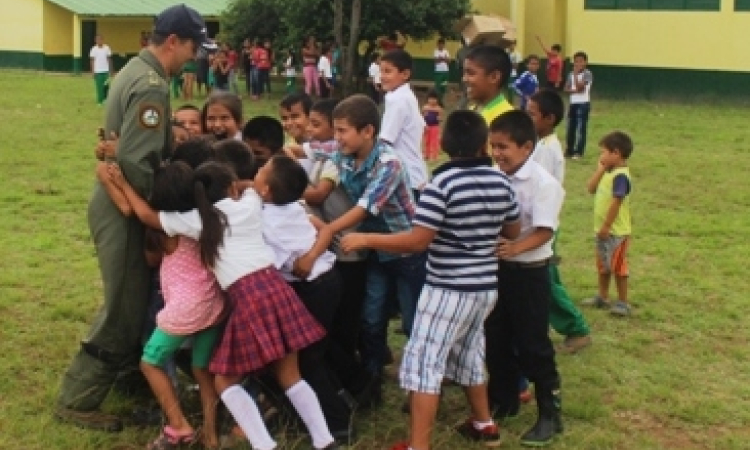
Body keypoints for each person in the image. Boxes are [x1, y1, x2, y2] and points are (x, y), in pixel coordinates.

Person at [108, 160, 338, 450]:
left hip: (249, 298)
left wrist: (123, 183)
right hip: (277, 289)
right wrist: (247, 184)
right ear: (232, 188)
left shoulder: (198, 221)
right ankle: (325, 440)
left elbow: (145, 215)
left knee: (225, 383)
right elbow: (253, 188)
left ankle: (264, 445)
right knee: (291, 375)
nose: (255, 176)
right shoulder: (250, 204)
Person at [55, 4, 208, 432]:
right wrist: (161, 215)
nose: (194, 56)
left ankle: (125, 377)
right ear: (173, 41)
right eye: (194, 46)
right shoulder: (151, 85)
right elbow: (139, 163)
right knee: (123, 309)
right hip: (125, 208)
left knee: (131, 297)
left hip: (117, 200)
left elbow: (120, 147)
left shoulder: (132, 71)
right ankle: (77, 397)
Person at [341, 110, 521, 450]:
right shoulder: (501, 181)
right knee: (469, 352)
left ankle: (418, 446)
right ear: (483, 143)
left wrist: (367, 239)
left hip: (448, 289)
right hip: (484, 288)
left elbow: (417, 241)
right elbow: (511, 229)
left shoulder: (442, 185)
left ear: (444, 144)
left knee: (424, 363)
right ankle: (484, 424)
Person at [293, 94, 426, 408]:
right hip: (375, 252)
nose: (336, 138)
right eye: (335, 131)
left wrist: (328, 229)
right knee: (371, 319)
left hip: (405, 250)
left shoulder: (389, 163)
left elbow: (366, 207)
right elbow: (310, 148)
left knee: (412, 322)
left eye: (342, 131)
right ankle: (370, 382)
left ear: (368, 131)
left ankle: (418, 385)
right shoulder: (341, 152)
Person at [114, 162, 225, 449]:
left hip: (186, 307)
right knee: (202, 370)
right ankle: (211, 436)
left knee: (149, 362)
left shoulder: (169, 227)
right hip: (213, 303)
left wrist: (124, 184)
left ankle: (180, 425)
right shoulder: (206, 219)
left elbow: (142, 214)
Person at [256, 154, 354, 443]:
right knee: (316, 353)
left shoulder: (268, 223)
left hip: (313, 289)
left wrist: (308, 259)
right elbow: (324, 230)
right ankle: (342, 401)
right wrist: (312, 255)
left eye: (261, 170)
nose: (257, 171)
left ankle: (338, 424)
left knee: (306, 360)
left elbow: (269, 268)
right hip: (328, 280)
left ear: (266, 191)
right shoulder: (293, 207)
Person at [485, 110, 564, 447]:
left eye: (504, 147)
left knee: (532, 344)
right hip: (499, 271)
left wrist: (516, 249)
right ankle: (504, 401)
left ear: (527, 147)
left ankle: (550, 412)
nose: (498, 153)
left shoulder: (543, 184)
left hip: (530, 275)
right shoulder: (494, 174)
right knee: (496, 338)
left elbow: (545, 231)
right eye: (493, 146)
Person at [527, 89, 592, 353]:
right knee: (546, 279)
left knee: (545, 281)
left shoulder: (547, 149)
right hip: (539, 222)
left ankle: (577, 329)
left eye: (532, 114)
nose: (527, 117)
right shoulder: (540, 145)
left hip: (542, 225)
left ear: (549, 118)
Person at [583, 131, 634, 317]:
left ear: (616, 153)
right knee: (603, 265)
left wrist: (606, 226)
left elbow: (616, 202)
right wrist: (601, 169)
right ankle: (602, 297)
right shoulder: (608, 172)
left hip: (616, 232)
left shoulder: (621, 176)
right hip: (602, 230)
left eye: (603, 152)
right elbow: (590, 188)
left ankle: (623, 302)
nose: (601, 156)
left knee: (618, 267)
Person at [379, 49, 429, 197]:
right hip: (414, 175)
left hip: (404, 177)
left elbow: (385, 141)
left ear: (405, 74)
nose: (382, 76)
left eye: (388, 71)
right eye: (381, 71)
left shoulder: (398, 100)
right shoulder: (406, 96)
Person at [461, 45, 513, 127]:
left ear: (494, 77)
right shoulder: (472, 111)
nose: (464, 79)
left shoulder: (505, 120)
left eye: (471, 73)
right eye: (464, 73)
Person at [565, 51, 593, 159]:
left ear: (585, 62)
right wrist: (575, 90)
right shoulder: (570, 74)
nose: (578, 64)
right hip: (573, 103)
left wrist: (576, 75)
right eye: (576, 61)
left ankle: (578, 151)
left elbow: (580, 88)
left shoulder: (587, 74)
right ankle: (569, 149)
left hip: (583, 103)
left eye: (581, 61)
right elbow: (566, 88)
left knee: (581, 128)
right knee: (571, 127)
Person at [89, 34, 112, 105]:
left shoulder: (107, 48)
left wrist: (110, 70)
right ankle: (100, 101)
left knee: (106, 86)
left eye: (100, 39)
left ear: (103, 40)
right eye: (97, 40)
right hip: (98, 71)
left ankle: (106, 100)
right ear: (95, 41)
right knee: (99, 87)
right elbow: (92, 61)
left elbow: (109, 59)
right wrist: (93, 71)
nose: (99, 41)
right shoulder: (93, 49)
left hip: (106, 70)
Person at [421, 90, 443, 163]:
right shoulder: (425, 107)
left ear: (437, 100)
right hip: (427, 126)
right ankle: (426, 154)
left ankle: (434, 156)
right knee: (426, 141)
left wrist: (439, 117)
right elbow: (423, 115)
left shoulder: (438, 108)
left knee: (434, 142)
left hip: (435, 127)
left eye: (434, 99)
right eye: (430, 99)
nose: (432, 101)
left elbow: (440, 116)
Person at [433, 38, 451, 103]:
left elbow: (449, 61)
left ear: (444, 45)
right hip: (438, 72)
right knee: (438, 86)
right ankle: (437, 100)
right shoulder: (435, 51)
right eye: (439, 44)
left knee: (444, 86)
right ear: (437, 44)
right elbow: (435, 61)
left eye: (442, 44)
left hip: (446, 72)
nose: (441, 46)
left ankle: (441, 100)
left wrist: (442, 59)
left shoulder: (446, 51)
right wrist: (444, 59)